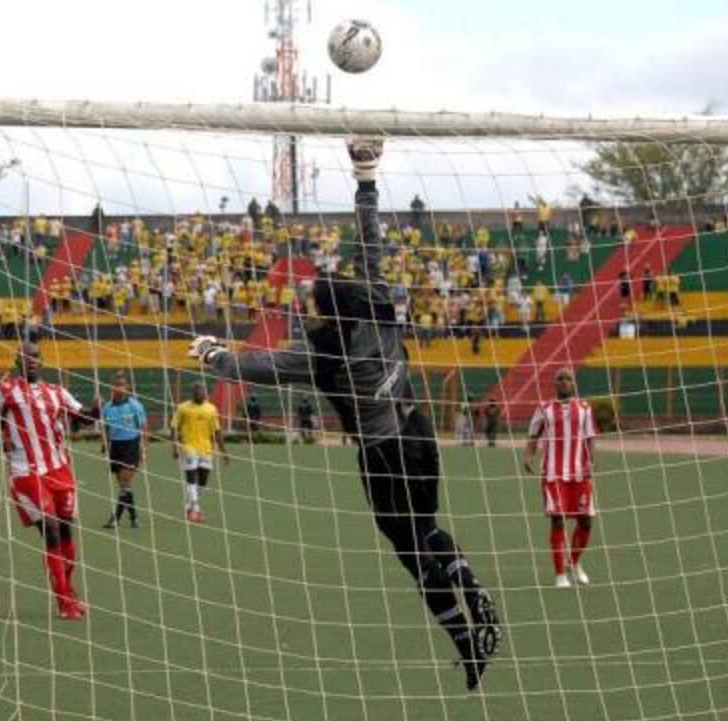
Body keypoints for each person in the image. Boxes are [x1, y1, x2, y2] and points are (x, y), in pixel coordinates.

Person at [188, 138, 500, 690]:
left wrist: (213, 353)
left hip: (382, 453)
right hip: (420, 434)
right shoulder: (380, 309)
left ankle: (465, 631)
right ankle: (471, 600)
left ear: (321, 311)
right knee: (427, 530)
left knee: (406, 548)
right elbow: (372, 244)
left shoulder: (318, 352)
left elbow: (254, 368)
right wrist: (366, 180)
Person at [0, 342, 96, 620]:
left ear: (42, 361)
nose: (31, 360)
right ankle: (63, 602)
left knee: (67, 533)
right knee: (51, 530)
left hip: (60, 469)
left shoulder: (57, 392)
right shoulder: (6, 391)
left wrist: (96, 410)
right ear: (17, 361)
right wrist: (2, 443)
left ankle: (68, 591)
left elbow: (81, 417)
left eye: (35, 356)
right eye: (26, 357)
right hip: (26, 471)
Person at [523, 368, 597, 588]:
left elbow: (590, 437)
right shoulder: (544, 408)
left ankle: (572, 563)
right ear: (554, 384)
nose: (564, 382)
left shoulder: (584, 408)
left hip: (579, 473)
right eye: (560, 379)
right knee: (558, 519)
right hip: (553, 474)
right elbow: (533, 435)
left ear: (574, 384)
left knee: (586, 520)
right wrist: (528, 456)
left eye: (568, 379)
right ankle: (560, 575)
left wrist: (591, 461)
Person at [170, 382, 227, 523]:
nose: (199, 395)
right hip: (188, 447)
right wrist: (175, 446)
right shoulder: (183, 408)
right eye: (196, 393)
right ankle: (195, 510)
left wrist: (224, 451)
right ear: (192, 394)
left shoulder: (211, 409)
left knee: (203, 479)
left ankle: (190, 506)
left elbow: (217, 431)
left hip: (206, 449)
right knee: (191, 476)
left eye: (201, 392)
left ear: (205, 394)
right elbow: (174, 427)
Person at [100, 372, 147, 529]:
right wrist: (105, 444)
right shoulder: (107, 407)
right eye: (116, 385)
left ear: (128, 388)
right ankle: (134, 518)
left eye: (122, 385)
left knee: (125, 480)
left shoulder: (135, 406)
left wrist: (143, 449)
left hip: (131, 445)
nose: (119, 388)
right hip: (116, 446)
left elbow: (143, 428)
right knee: (123, 485)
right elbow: (106, 427)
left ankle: (115, 518)